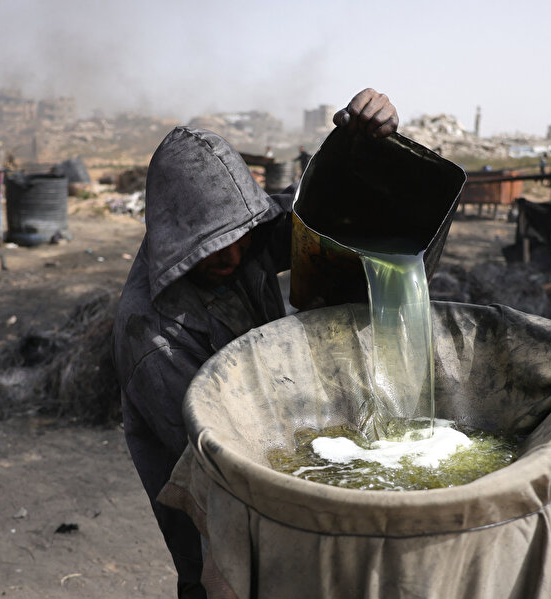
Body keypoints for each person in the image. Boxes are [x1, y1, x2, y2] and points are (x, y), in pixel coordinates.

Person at [112, 88, 398, 599]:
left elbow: (318, 212)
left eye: (241, 233)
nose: (232, 253)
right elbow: (226, 467)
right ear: (178, 239)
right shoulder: (155, 338)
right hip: (224, 536)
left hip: (289, 484)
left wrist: (364, 144)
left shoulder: (247, 240)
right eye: (212, 244)